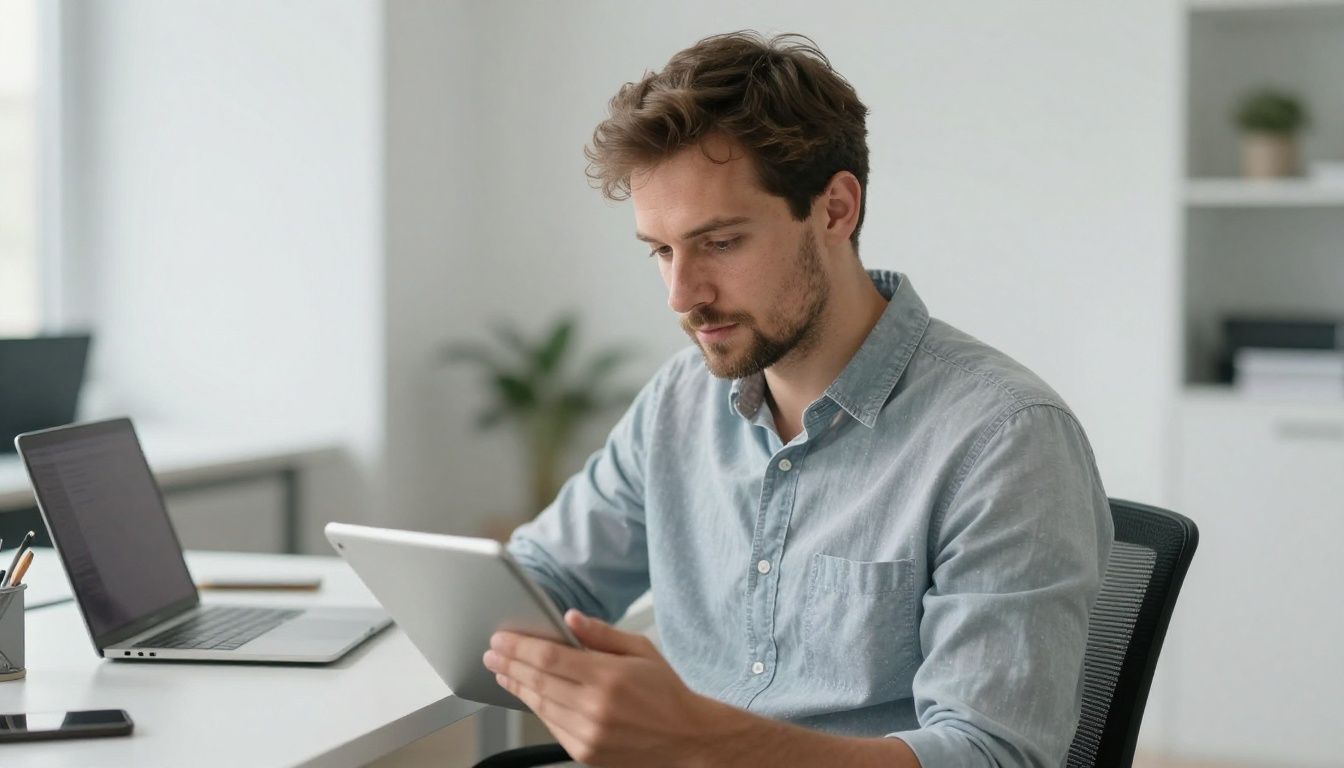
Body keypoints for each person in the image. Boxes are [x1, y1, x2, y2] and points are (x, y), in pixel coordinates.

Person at [482, 30, 1113, 768]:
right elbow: (545, 579)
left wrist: (699, 741)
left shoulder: (1005, 439)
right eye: (660, 250)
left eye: (718, 243)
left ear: (836, 210)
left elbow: (991, 757)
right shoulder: (681, 401)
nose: (681, 295)